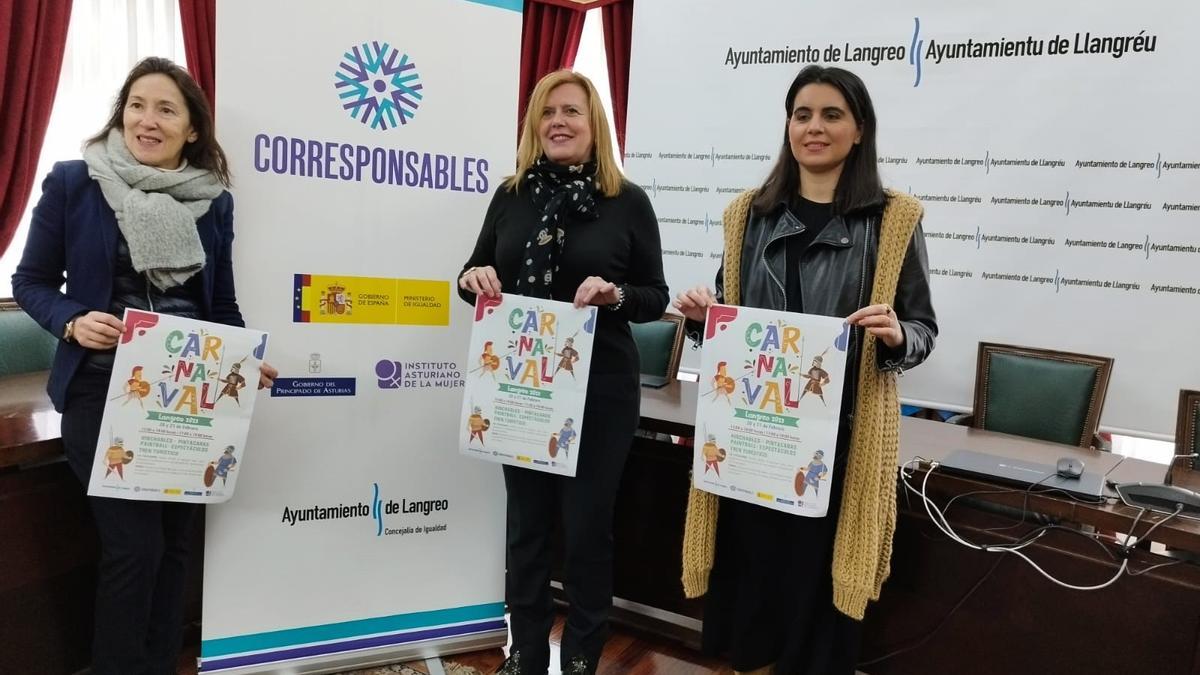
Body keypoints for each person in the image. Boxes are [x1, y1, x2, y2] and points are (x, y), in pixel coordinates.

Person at [11, 56, 277, 675]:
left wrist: (244, 358)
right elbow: (32, 281)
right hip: (102, 395)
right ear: (121, 112)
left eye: (165, 109)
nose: (146, 120)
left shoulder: (215, 203)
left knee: (176, 547)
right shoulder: (76, 182)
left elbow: (221, 304)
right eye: (137, 105)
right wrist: (72, 319)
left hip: (190, 397)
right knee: (132, 550)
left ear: (192, 130)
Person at [674, 65, 936, 675]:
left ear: (859, 129)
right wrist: (702, 319)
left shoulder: (894, 219)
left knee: (815, 605)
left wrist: (898, 334)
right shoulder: (748, 216)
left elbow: (923, 331)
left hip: (837, 447)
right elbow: (730, 327)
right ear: (788, 127)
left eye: (831, 114)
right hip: (753, 435)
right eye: (802, 114)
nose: (814, 127)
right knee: (755, 593)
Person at [457, 69, 667, 675]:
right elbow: (473, 274)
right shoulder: (510, 195)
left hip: (599, 387)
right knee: (526, 527)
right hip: (520, 385)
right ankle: (523, 652)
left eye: (572, 110)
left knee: (584, 529)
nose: (559, 122)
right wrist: (474, 281)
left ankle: (579, 656)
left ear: (593, 122)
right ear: (533, 125)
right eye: (547, 112)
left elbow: (655, 296)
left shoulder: (627, 201)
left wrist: (615, 295)